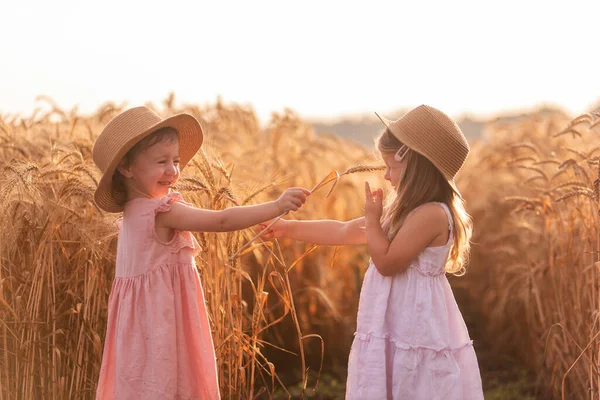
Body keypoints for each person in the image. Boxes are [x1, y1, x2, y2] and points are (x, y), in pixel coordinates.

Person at [260, 105, 484, 399]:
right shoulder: (403, 212)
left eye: (392, 167)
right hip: (391, 322)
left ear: (418, 167)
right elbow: (342, 231)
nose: (387, 176)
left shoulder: (432, 215)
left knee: (414, 383)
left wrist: (371, 219)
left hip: (415, 327)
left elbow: (387, 263)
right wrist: (288, 228)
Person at [92, 106, 310, 399]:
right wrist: (276, 206)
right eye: (161, 162)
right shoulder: (162, 213)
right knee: (173, 381)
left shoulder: (132, 214)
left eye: (176, 161)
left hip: (136, 331)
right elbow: (221, 220)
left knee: (142, 383)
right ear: (127, 168)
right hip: (165, 325)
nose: (173, 171)